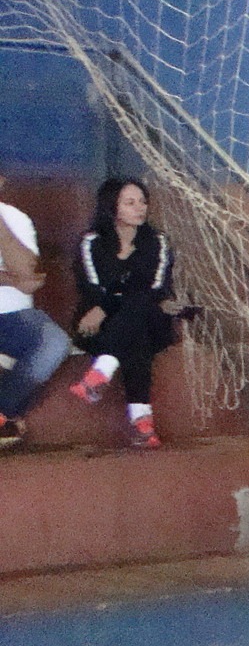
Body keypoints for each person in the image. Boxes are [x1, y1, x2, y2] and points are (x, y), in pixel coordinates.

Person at [68, 178, 187, 449]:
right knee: (136, 336)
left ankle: (102, 370)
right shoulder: (92, 243)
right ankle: (141, 421)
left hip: (146, 320)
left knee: (140, 309)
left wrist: (106, 305)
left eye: (143, 202)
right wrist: (108, 304)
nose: (139, 208)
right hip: (98, 326)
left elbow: (155, 289)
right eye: (130, 202)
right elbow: (92, 287)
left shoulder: (157, 242)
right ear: (112, 206)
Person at [0, 178, 69, 448]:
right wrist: (9, 278)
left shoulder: (15, 218)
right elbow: (22, 279)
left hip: (13, 317)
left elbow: (29, 276)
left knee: (54, 342)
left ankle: (3, 409)